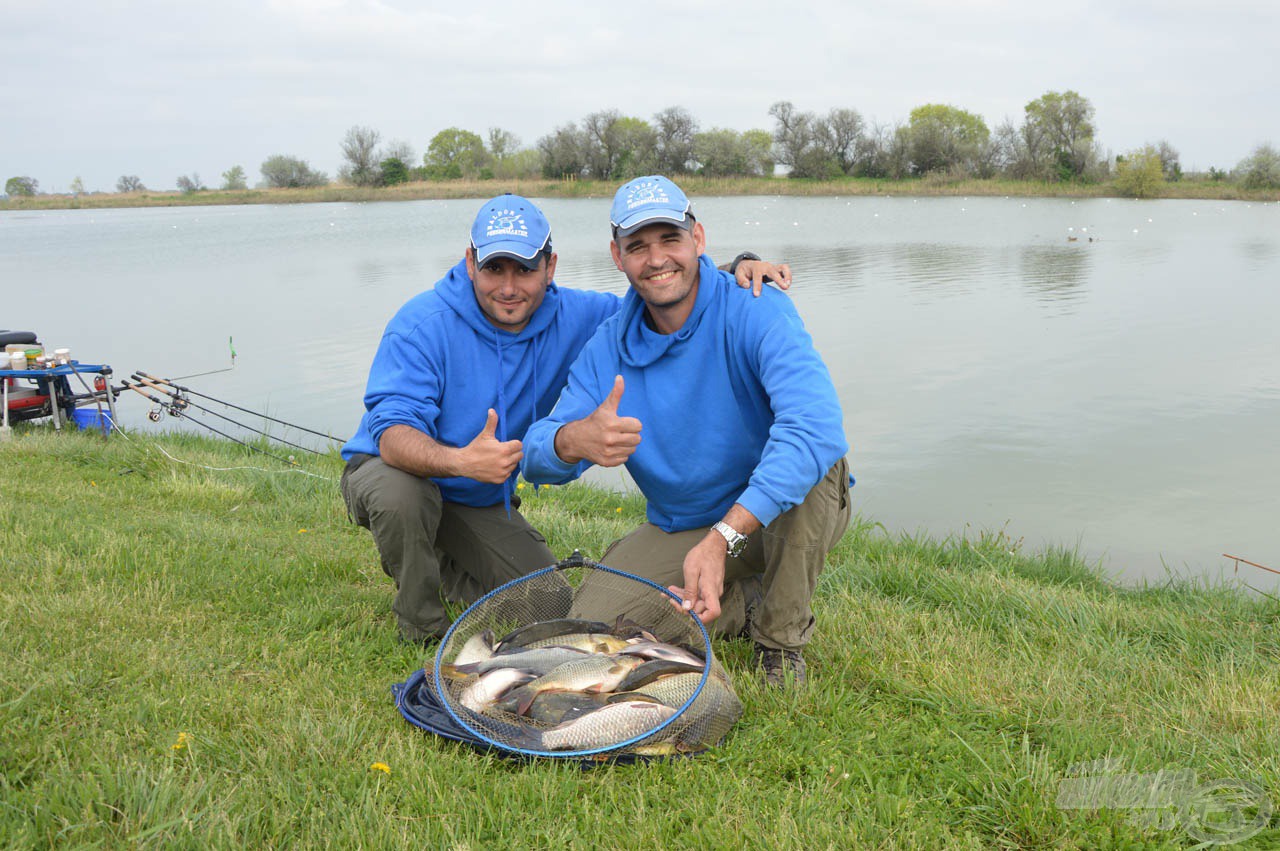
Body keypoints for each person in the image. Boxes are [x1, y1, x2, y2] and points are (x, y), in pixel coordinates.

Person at [340, 193, 790, 644]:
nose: (509, 287)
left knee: (551, 606)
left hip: (476, 496)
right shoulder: (423, 323)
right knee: (404, 498)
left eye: (525, 268)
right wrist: (459, 462)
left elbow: (660, 293)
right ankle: (421, 624)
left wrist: (734, 269)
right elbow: (392, 435)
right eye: (494, 268)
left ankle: (447, 562)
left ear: (550, 267)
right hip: (395, 470)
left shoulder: (584, 316)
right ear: (470, 262)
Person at [521, 176, 852, 686]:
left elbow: (816, 429)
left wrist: (721, 539)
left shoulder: (757, 305)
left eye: (670, 239)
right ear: (617, 255)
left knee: (812, 466)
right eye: (637, 246)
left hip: (778, 512)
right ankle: (746, 601)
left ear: (698, 239)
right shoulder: (607, 346)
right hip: (686, 523)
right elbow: (537, 454)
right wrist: (571, 441)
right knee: (599, 629)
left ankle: (781, 642)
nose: (656, 260)